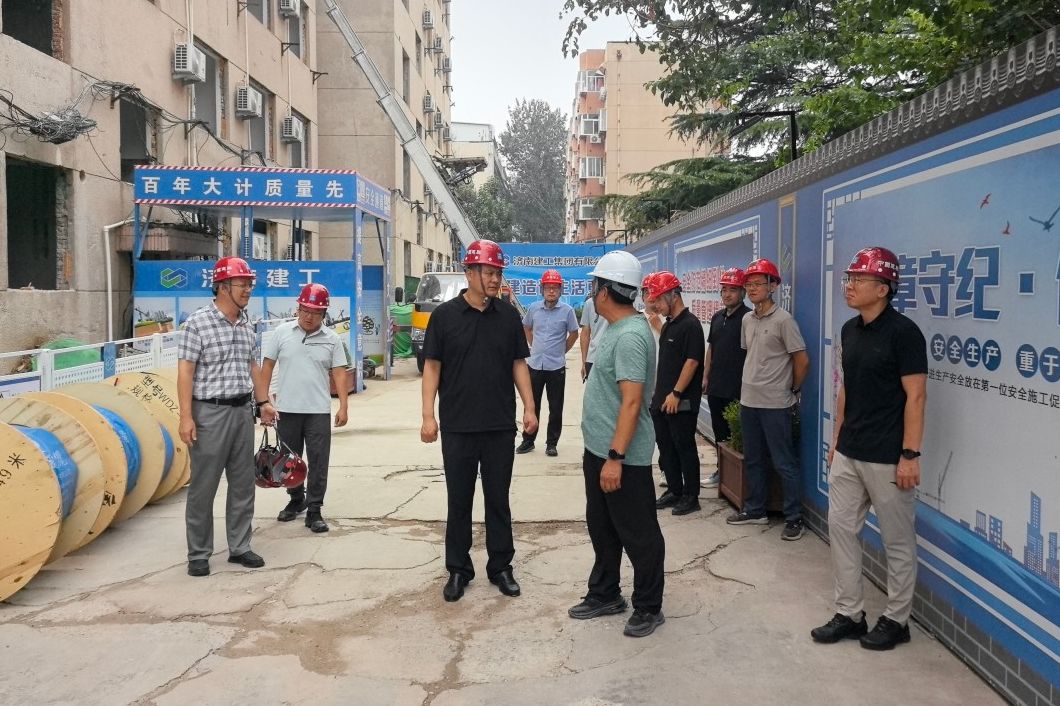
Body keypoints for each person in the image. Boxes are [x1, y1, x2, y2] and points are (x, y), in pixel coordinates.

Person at [811, 247, 927, 650]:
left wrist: (910, 454)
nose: (850, 285)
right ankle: (850, 614)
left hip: (889, 457)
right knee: (841, 529)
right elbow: (847, 388)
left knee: (897, 541)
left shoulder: (904, 333)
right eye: (850, 278)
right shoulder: (850, 330)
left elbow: (916, 397)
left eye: (859, 279)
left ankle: (897, 620)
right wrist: (837, 440)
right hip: (850, 451)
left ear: (883, 288)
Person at [420, 239, 538, 602]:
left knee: (498, 499)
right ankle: (458, 569)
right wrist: (428, 415)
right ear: (469, 273)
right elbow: (432, 367)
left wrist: (530, 407)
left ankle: (501, 566)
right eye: (489, 272)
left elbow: (518, 363)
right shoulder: (444, 317)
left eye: (498, 273)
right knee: (459, 500)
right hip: (457, 425)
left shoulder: (508, 317)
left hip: (499, 425)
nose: (495, 279)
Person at [569, 250, 666, 638]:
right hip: (599, 450)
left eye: (594, 286)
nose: (591, 293)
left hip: (622, 457)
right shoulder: (614, 327)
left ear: (605, 291)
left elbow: (631, 402)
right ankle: (605, 592)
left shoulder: (630, 337)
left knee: (639, 533)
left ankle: (649, 606)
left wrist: (615, 458)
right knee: (603, 527)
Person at [177, 256, 277, 577]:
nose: (248, 289)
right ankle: (199, 553)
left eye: (249, 284)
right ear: (222, 287)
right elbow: (186, 371)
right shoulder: (198, 323)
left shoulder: (247, 324)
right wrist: (186, 417)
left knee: (243, 483)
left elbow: (252, 366)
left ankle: (240, 546)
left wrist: (263, 402)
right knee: (204, 485)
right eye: (242, 284)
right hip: (209, 413)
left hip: (242, 412)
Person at [725, 258, 810, 540]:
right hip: (749, 401)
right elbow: (750, 355)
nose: (752, 288)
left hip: (775, 404)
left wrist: (792, 389)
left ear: (773, 286)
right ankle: (756, 510)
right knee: (754, 459)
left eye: (759, 283)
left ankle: (794, 518)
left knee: (784, 462)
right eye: (748, 284)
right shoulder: (747, 320)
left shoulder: (784, 321)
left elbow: (802, 361)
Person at [260, 283, 349, 534]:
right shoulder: (282, 333)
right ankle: (296, 499)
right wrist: (263, 401)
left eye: (316, 312)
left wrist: (343, 405)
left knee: (319, 461)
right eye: (305, 310)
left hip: (318, 410)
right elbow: (267, 366)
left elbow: (339, 373)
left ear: (324, 314)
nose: (309, 316)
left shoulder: (332, 339)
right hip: (287, 409)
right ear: (298, 308)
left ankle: (314, 509)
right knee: (288, 460)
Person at [645, 272, 706, 516]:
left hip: (681, 401)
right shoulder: (670, 324)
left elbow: (692, 362)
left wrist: (676, 393)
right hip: (662, 400)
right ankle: (674, 489)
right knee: (666, 446)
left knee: (684, 447)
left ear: (674, 295)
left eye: (659, 299)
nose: (655, 305)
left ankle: (691, 496)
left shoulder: (691, 325)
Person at [516, 269, 580, 457]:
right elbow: (526, 327)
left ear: (560, 290)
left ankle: (551, 443)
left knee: (556, 407)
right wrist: (533, 345)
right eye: (548, 287)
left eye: (555, 288)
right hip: (535, 365)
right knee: (531, 404)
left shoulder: (567, 311)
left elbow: (574, 333)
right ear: (542, 289)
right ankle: (528, 440)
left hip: (556, 367)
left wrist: (562, 351)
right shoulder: (534, 309)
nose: (551, 291)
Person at [701, 267, 751, 488]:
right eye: (724, 290)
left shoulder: (748, 318)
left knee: (737, 435)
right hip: (716, 387)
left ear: (742, 292)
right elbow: (711, 348)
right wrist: (705, 377)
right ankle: (721, 472)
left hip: (738, 389)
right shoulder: (717, 317)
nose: (727, 294)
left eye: (733, 290)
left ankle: (738, 480)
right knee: (719, 432)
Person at [579, 292, 609, 382]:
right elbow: (585, 333)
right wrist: (584, 362)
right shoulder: (590, 303)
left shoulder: (622, 301)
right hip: (593, 358)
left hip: (615, 358)